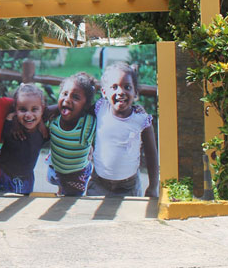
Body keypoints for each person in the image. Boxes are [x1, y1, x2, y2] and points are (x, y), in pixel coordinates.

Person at [88, 62, 159, 197]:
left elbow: (152, 155)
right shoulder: (100, 108)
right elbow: (79, 112)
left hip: (128, 187)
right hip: (99, 183)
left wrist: (153, 186)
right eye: (114, 87)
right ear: (104, 92)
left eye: (127, 87)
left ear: (135, 92)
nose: (120, 92)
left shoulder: (141, 120)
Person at [48, 72, 97, 196]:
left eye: (75, 97)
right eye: (64, 94)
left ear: (86, 105)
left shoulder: (89, 121)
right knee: (60, 188)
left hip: (76, 175)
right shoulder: (53, 117)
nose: (68, 99)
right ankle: (60, 189)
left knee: (70, 203)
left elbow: (106, 106)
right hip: (56, 167)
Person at [0, 84, 49, 195]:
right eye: (23, 110)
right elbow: (8, 119)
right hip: (5, 178)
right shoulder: (12, 128)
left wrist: (40, 122)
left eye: (34, 109)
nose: (28, 115)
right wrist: (14, 119)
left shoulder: (42, 131)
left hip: (27, 179)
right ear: (15, 110)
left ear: (42, 109)